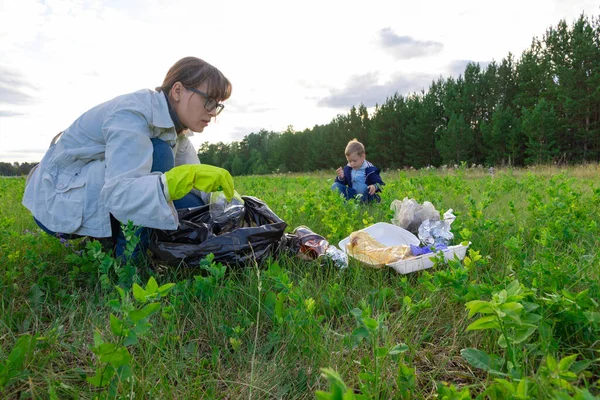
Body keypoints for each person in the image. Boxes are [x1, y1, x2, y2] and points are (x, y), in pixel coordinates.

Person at [22, 56, 235, 259]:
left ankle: (112, 240)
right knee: (159, 155)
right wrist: (172, 182)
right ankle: (129, 261)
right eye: (209, 100)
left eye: (218, 104)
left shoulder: (175, 129)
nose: (213, 112)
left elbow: (194, 176)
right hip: (57, 199)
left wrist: (227, 200)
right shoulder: (132, 113)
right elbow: (120, 193)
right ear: (178, 91)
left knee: (192, 202)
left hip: (93, 188)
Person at [331, 139, 384, 203]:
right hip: (352, 193)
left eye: (354, 161)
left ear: (363, 156)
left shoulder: (370, 169)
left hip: (366, 194)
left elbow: (380, 184)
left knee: (361, 187)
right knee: (335, 185)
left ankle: (368, 202)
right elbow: (343, 183)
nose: (352, 164)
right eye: (349, 161)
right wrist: (341, 178)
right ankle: (345, 205)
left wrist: (374, 187)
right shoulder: (348, 168)